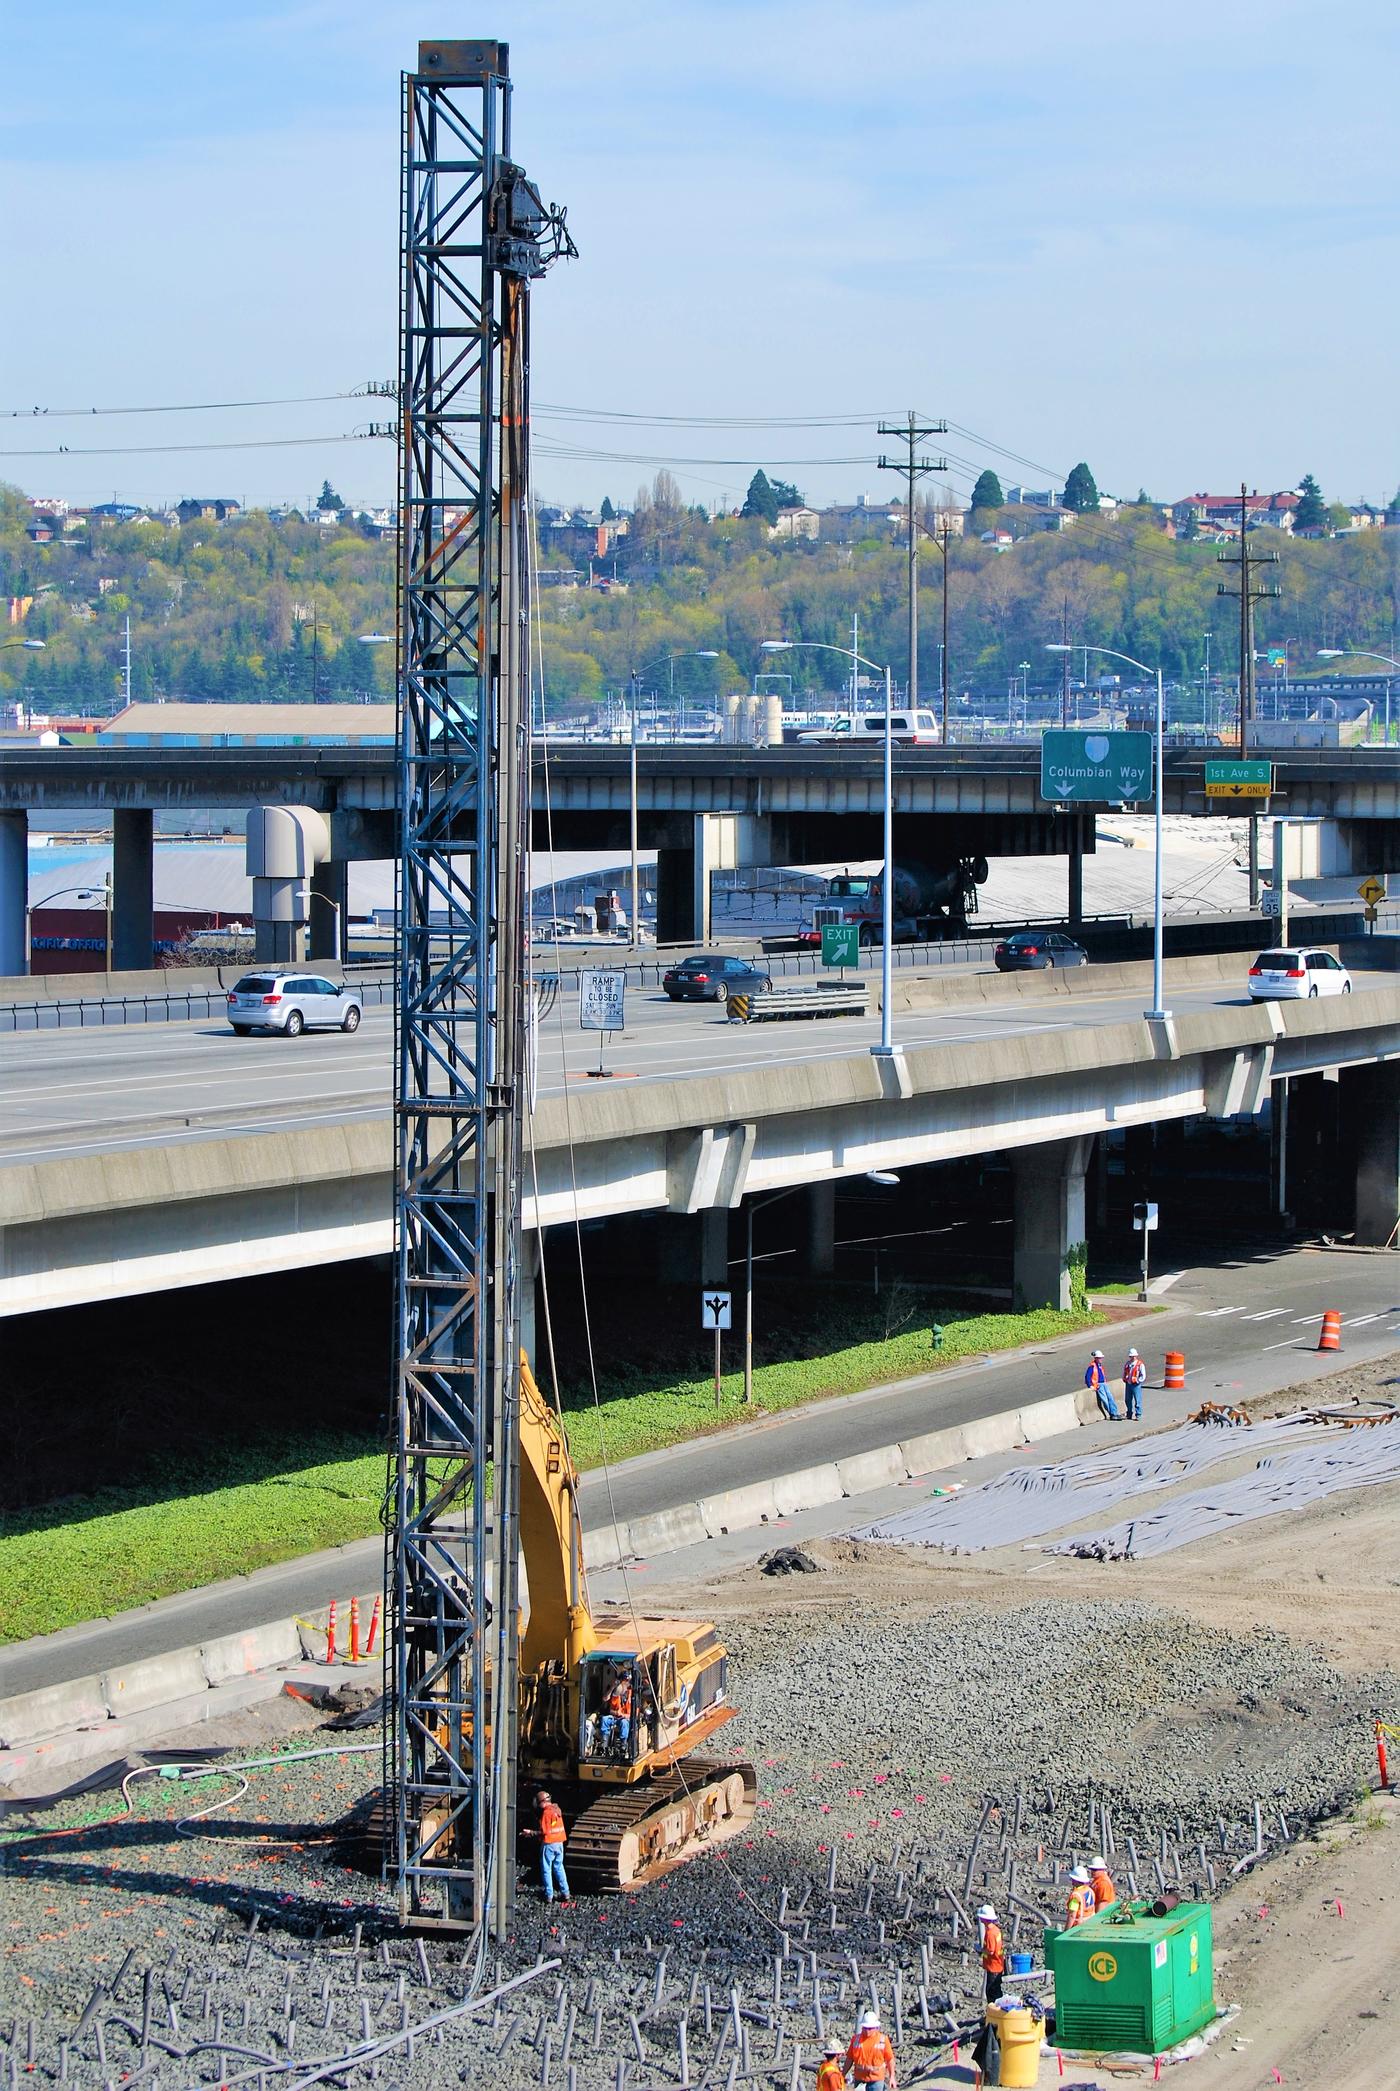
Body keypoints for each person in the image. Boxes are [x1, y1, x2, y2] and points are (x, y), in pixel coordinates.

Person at [528, 1788, 571, 1905]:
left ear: (542, 1802)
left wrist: (530, 1833)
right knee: (559, 1867)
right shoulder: (557, 1810)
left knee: (546, 1869)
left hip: (549, 1844)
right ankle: (566, 1893)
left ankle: (549, 1896)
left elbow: (543, 1832)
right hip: (559, 1843)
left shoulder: (546, 1813)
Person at [846, 2007, 896, 2086]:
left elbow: (890, 2059)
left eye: (870, 2028)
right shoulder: (856, 2039)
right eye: (865, 2028)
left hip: (876, 2080)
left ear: (876, 2028)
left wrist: (892, 2077)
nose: (867, 2031)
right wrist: (843, 2074)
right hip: (859, 2079)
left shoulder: (883, 2040)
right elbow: (849, 2058)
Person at [976, 1903, 1005, 2004]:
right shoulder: (996, 1930)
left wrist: (980, 1949)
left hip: (993, 1967)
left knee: (991, 1992)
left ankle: (995, 2013)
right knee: (996, 1990)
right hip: (998, 1964)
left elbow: (991, 1950)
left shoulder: (990, 1933)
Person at [601, 1670, 633, 1753]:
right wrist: (612, 1688)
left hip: (625, 1719)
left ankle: (623, 1745)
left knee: (624, 1723)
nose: (624, 1683)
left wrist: (625, 1715)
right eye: (623, 1680)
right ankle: (604, 1745)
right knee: (605, 1719)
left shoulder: (632, 1695)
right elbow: (605, 1699)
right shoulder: (615, 1693)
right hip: (614, 1717)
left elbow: (635, 1713)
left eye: (626, 1681)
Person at [1085, 1350, 1120, 1421]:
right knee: (1105, 1400)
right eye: (1100, 1358)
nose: (1101, 1359)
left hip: (1104, 1383)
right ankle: (1112, 1414)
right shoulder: (1092, 1366)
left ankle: (1115, 1412)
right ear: (1096, 1358)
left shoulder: (1099, 1366)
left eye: (1101, 1358)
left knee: (1110, 1398)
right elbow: (1087, 1377)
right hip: (1099, 1385)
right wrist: (1090, 1385)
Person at [1122, 1347, 1147, 1420]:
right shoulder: (1128, 1364)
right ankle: (1129, 1413)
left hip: (1136, 1385)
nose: (1132, 1357)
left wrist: (1138, 1381)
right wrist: (1124, 1379)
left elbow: (1143, 1375)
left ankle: (1138, 1414)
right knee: (1127, 1400)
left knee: (1137, 1400)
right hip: (1128, 1384)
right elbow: (1124, 1372)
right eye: (1131, 1356)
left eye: (1133, 1356)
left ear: (1136, 1356)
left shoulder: (1140, 1364)